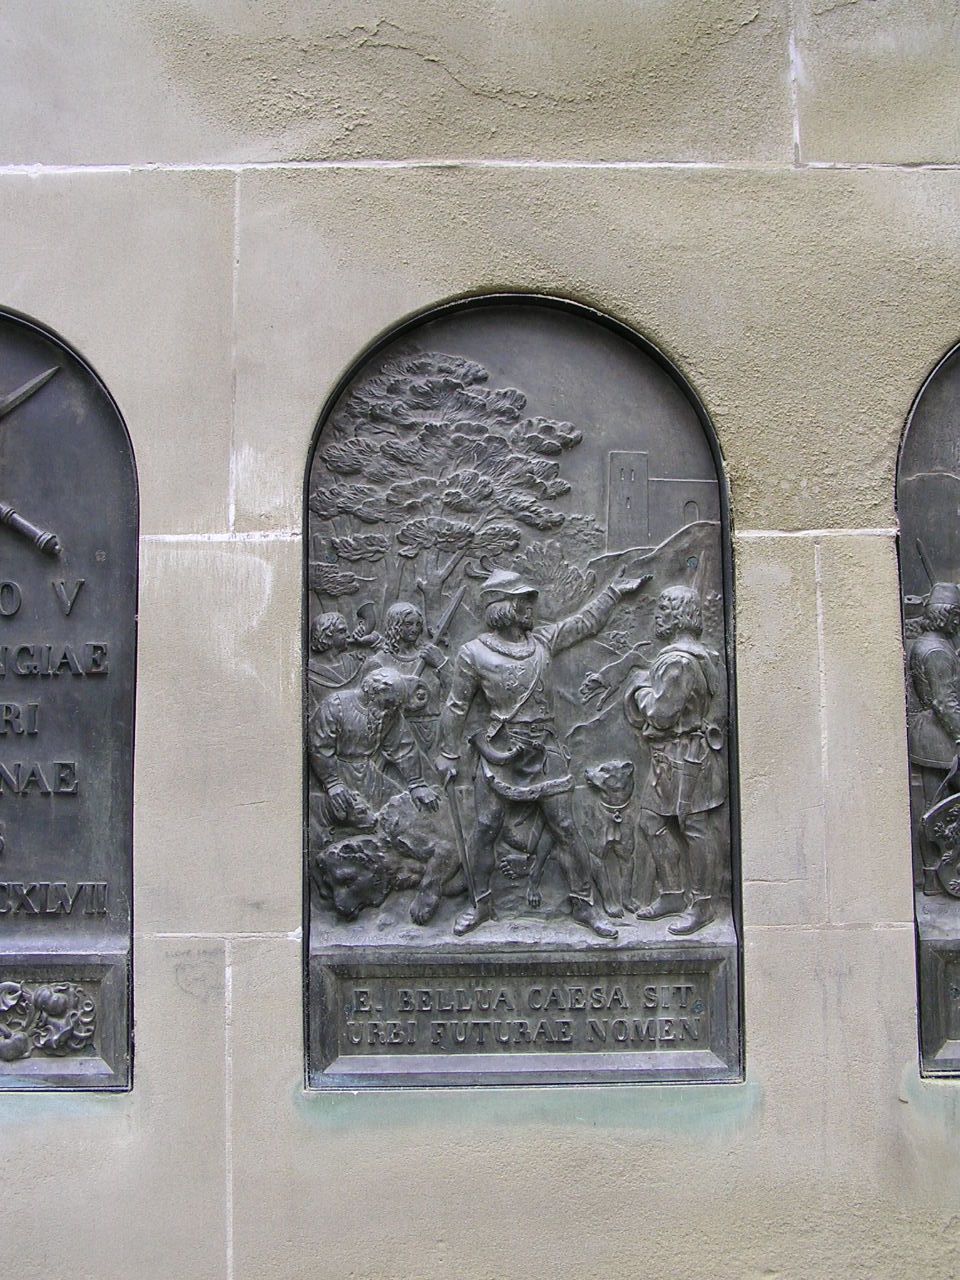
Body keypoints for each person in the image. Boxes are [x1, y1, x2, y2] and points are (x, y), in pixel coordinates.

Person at [434, 566, 650, 938]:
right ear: (504, 607)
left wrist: (613, 592)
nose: (531, 607)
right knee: (485, 828)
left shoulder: (542, 641)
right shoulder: (473, 653)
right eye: (523, 601)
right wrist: (448, 754)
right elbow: (456, 706)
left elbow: (584, 624)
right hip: (501, 751)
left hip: (545, 749)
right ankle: (480, 904)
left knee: (566, 828)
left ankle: (584, 906)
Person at [623, 585, 727, 935]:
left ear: (679, 616)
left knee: (694, 828)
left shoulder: (679, 661)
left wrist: (640, 688)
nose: (657, 617)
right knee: (651, 821)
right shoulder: (701, 655)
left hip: (686, 757)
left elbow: (661, 713)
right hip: (670, 756)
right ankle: (671, 893)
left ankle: (703, 904)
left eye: (663, 610)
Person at [309, 668, 439, 828]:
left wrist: (416, 784)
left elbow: (403, 748)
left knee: (401, 810)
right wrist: (332, 783)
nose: (390, 709)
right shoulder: (336, 705)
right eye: (388, 703)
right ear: (373, 693)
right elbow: (319, 746)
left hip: (369, 776)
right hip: (337, 775)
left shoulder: (389, 714)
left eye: (394, 705)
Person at [907, 582, 960, 893]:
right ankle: (936, 879)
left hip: (928, 734)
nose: (958, 623)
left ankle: (933, 878)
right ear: (946, 615)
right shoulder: (937, 650)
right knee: (938, 811)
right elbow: (945, 702)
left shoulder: (927, 643)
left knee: (935, 807)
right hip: (938, 740)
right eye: (956, 616)